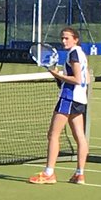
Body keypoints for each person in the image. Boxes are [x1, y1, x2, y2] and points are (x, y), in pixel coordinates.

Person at [29, 27, 90, 185]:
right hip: (80, 99)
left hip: (68, 98)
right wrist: (60, 77)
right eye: (62, 38)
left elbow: (77, 79)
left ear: (75, 39)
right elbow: (86, 79)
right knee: (80, 137)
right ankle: (80, 174)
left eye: (67, 38)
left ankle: (49, 173)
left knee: (53, 134)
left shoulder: (74, 54)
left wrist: (56, 74)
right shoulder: (81, 54)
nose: (63, 41)